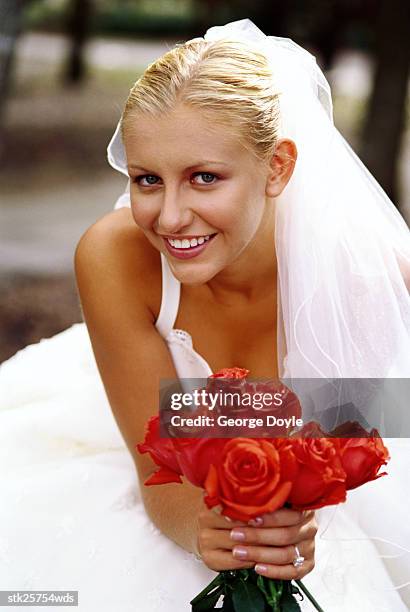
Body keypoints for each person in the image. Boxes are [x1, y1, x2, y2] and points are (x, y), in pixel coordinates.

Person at [0, 18, 409, 612]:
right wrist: (203, 528)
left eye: (204, 178)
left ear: (278, 168)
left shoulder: (371, 278)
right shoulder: (113, 256)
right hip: (137, 427)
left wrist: (286, 526)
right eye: (147, 180)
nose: (169, 218)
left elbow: (341, 449)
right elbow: (155, 469)